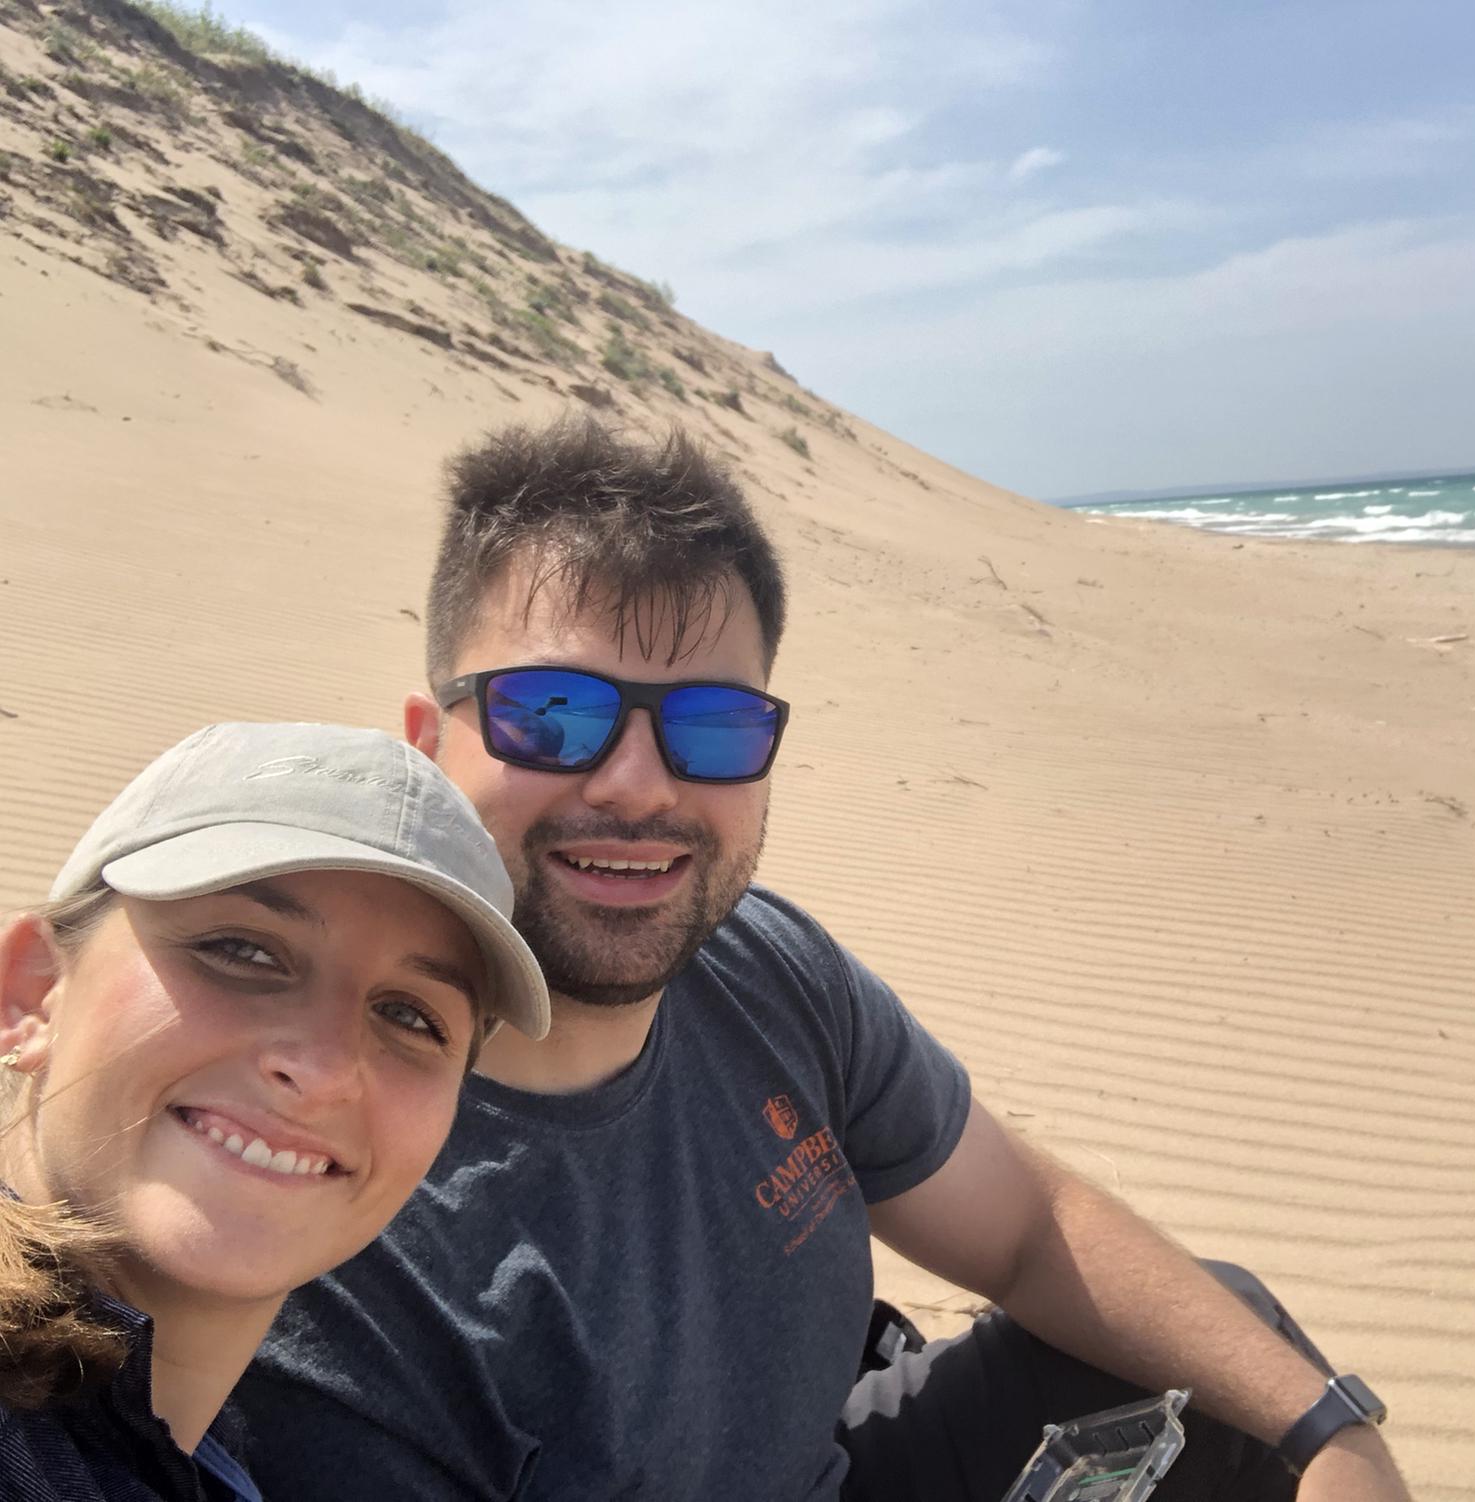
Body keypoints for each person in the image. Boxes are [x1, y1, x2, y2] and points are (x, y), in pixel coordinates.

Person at [239, 415, 1411, 1500]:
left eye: (709, 723)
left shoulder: (762, 963)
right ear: (422, 741)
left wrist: (1330, 1431)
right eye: (550, 712)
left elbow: (1021, 1225)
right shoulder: (333, 1170)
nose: (638, 784)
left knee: (1227, 1364)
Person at [0, 723, 549, 1501]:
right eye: (242, 951)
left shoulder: (181, 1450)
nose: (323, 1070)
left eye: (411, 1016)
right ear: (32, 992)